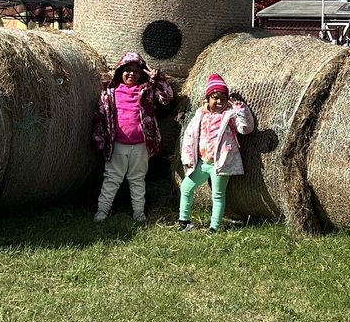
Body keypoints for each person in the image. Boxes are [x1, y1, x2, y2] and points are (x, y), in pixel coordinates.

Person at [92, 51, 173, 222]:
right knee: (112, 178)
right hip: (118, 144)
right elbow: (100, 114)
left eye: (136, 71)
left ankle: (139, 213)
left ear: (141, 73)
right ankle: (102, 211)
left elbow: (166, 99)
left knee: (137, 179)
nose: (131, 74)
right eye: (127, 70)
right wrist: (99, 139)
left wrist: (158, 80)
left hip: (141, 145)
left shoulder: (147, 90)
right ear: (119, 71)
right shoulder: (110, 92)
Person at [178, 72, 254, 234]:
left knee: (218, 195)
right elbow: (189, 136)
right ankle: (184, 220)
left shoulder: (230, 115)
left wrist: (240, 109)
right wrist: (188, 157)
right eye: (215, 97)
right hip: (202, 163)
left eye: (223, 98)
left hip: (221, 163)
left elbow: (246, 129)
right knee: (186, 187)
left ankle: (214, 227)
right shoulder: (200, 115)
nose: (219, 101)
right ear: (207, 98)